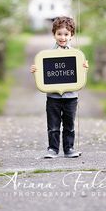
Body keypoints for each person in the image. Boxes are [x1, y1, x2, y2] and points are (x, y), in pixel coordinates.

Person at [30, 16, 88, 158]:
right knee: (53, 125)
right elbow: (44, 75)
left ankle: (69, 149)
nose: (62, 37)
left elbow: (80, 77)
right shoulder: (47, 55)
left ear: (71, 35)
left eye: (66, 34)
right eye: (59, 34)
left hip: (71, 97)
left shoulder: (76, 55)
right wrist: (36, 70)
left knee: (69, 125)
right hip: (53, 97)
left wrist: (84, 68)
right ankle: (53, 149)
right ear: (54, 34)